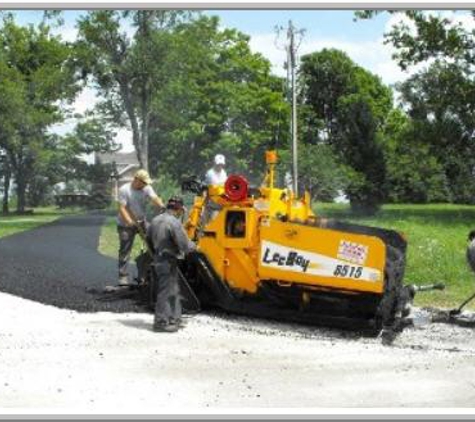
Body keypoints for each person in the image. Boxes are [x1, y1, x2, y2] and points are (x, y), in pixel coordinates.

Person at [148, 196, 196, 333]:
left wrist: (156, 254)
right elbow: (184, 244)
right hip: (168, 260)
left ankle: (175, 319)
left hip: (159, 259)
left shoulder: (155, 220)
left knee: (173, 289)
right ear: (180, 209)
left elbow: (148, 239)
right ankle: (160, 322)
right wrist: (195, 247)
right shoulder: (174, 223)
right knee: (165, 291)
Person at [117, 169, 164, 287]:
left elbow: (155, 198)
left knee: (154, 243)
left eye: (146, 183)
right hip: (125, 225)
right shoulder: (124, 190)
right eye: (143, 182)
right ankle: (123, 277)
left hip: (142, 221)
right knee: (125, 250)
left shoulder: (146, 188)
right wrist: (129, 222)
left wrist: (163, 207)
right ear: (136, 180)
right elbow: (122, 208)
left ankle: (146, 272)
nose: (145, 184)